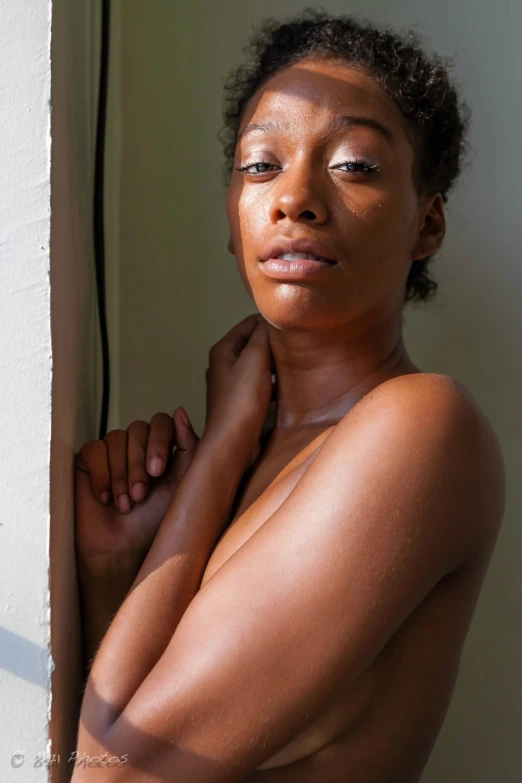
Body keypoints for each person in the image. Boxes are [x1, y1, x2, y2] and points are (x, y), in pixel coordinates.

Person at [72, 10, 505, 782]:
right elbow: (124, 727)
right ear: (233, 222)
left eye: (355, 165)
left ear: (427, 223)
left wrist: (223, 446)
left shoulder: (422, 427)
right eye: (261, 165)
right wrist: (115, 566)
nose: (294, 197)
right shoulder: (256, 466)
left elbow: (112, 772)